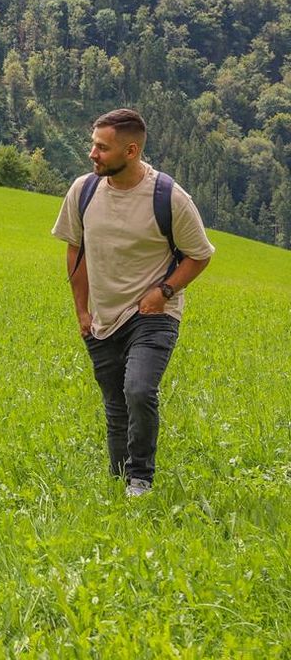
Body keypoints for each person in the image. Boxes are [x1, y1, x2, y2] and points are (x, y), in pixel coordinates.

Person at [52, 108, 214, 497]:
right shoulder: (83, 191)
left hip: (153, 313)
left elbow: (200, 254)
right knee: (115, 402)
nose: (92, 153)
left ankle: (140, 480)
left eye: (101, 148)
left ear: (131, 150)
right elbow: (76, 251)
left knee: (139, 391)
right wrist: (82, 310)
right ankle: (117, 479)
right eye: (93, 144)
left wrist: (165, 292)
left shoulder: (169, 197)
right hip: (103, 315)